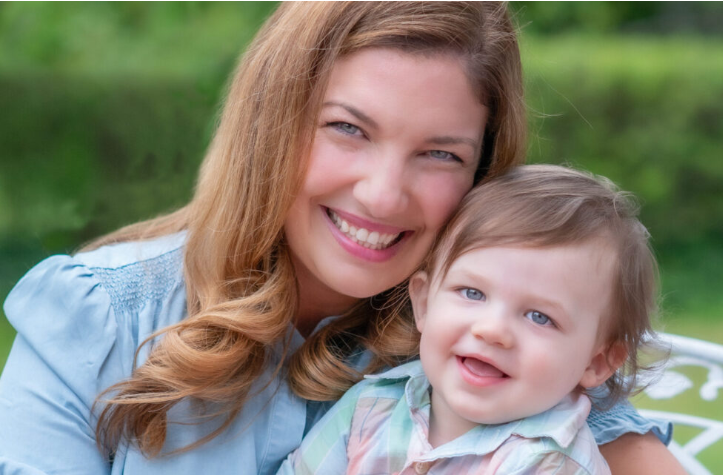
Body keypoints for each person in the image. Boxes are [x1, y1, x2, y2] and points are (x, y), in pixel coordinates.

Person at [0, 3, 683, 474]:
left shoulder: (487, 350)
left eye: (440, 154)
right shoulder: (99, 317)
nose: (383, 194)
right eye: (347, 129)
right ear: (273, 125)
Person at [281, 165, 671, 474]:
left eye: (539, 317)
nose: (493, 330)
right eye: (472, 293)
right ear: (424, 304)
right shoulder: (373, 404)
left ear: (596, 362)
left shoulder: (552, 463)